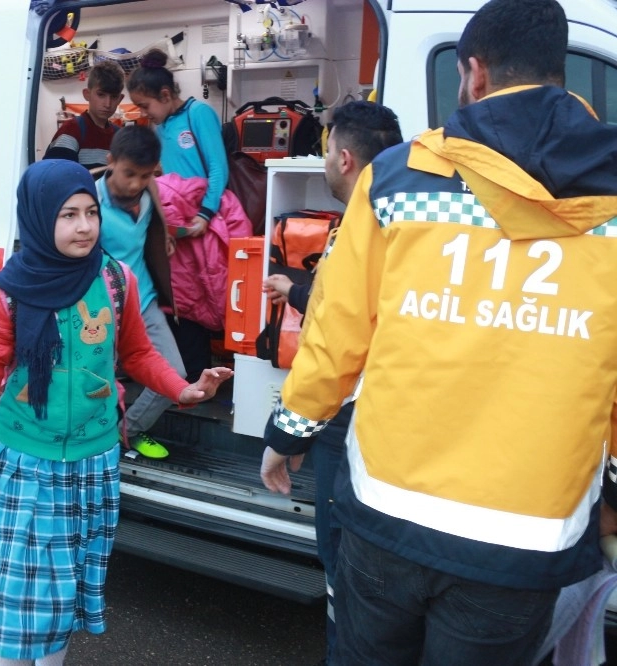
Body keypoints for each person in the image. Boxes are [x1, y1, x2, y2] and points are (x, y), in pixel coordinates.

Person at [260, 0, 617, 663]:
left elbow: (339, 333)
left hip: (387, 516)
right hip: (526, 540)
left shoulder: (396, 183)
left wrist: (290, 432)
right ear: (557, 70)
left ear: (473, 73)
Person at [0, 159, 232, 666]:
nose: (85, 226)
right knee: (15, 610)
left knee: (61, 603)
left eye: (91, 212)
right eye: (68, 214)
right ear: (40, 216)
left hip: (92, 466)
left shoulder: (116, 280)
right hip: (24, 467)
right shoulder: (7, 292)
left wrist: (183, 391)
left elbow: (136, 354)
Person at [261, 100, 402, 665]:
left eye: (324, 152)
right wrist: (296, 290)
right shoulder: (420, 218)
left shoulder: (362, 226)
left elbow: (336, 335)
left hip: (349, 417)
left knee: (345, 565)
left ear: (344, 158)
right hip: (398, 419)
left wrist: (287, 434)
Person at [127, 48, 230, 382]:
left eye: (145, 106)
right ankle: (186, 378)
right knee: (182, 301)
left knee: (208, 293)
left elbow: (217, 167)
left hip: (205, 217)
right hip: (178, 223)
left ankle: (207, 376)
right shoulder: (161, 126)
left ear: (166, 94)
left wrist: (205, 213)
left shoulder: (198, 113)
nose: (144, 113)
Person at [96, 124, 183, 459]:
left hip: (142, 299)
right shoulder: (89, 202)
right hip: (100, 308)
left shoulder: (150, 193)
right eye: (128, 173)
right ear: (110, 162)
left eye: (145, 176)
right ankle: (95, 444)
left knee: (173, 375)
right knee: (97, 383)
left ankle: (126, 432)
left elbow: (156, 225)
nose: (134, 184)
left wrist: (167, 240)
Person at [44, 60, 125, 169]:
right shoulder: (71, 131)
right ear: (87, 94)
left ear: (120, 99)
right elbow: (56, 179)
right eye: (101, 95)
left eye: (114, 97)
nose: (108, 104)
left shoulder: (121, 137)